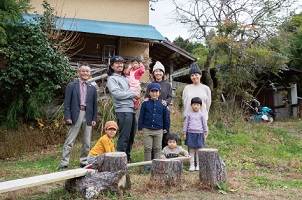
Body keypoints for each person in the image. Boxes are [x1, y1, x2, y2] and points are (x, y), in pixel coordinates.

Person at [58, 63, 98, 170]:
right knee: (70, 141)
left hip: (88, 115)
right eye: (83, 71)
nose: (85, 73)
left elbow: (95, 104)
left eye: (87, 71)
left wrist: (94, 118)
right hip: (76, 114)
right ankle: (64, 162)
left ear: (90, 73)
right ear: (79, 72)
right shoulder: (72, 85)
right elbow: (67, 103)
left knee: (87, 142)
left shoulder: (92, 88)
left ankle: (84, 161)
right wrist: (68, 117)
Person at [107, 55, 140, 163]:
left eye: (121, 63)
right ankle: (120, 159)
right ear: (112, 66)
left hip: (132, 109)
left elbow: (136, 87)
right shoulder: (112, 79)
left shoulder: (126, 77)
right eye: (117, 63)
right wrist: (132, 93)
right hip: (123, 110)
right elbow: (117, 94)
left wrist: (137, 93)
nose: (120, 64)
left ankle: (127, 157)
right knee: (124, 135)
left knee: (131, 135)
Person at [138, 82, 170, 171]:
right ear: (149, 92)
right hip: (147, 129)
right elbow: (141, 116)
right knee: (148, 148)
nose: (154, 93)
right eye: (152, 91)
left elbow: (165, 117)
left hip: (158, 129)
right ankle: (147, 165)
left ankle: (157, 165)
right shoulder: (145, 103)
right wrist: (140, 127)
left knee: (157, 148)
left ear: (159, 93)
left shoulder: (163, 104)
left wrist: (166, 128)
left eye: (156, 92)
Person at [145, 61, 173, 149]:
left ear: (163, 73)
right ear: (153, 73)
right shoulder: (150, 85)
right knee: (154, 134)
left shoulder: (167, 85)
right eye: (156, 71)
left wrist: (166, 102)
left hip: (164, 112)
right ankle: (153, 156)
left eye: (160, 71)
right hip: (153, 113)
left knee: (165, 133)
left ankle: (165, 153)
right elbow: (146, 97)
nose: (158, 73)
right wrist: (146, 100)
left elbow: (170, 97)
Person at [183, 97, 209, 171]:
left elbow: (204, 124)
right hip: (190, 133)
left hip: (199, 134)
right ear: (191, 105)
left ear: (200, 106)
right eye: (194, 104)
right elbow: (185, 124)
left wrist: (206, 132)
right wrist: (185, 133)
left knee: (198, 151)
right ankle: (191, 165)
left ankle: (198, 165)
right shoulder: (189, 115)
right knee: (191, 150)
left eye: (197, 105)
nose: (196, 106)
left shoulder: (202, 115)